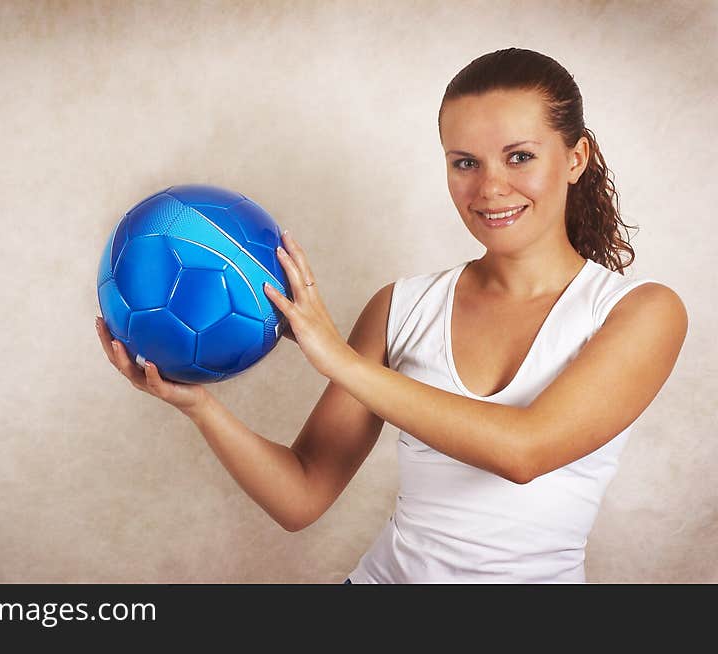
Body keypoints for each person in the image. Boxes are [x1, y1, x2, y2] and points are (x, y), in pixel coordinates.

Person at [95, 48, 688, 583]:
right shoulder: (402, 307)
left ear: (576, 156)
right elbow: (301, 497)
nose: (490, 187)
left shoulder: (639, 313)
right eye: (465, 163)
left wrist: (340, 361)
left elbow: (525, 452)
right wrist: (199, 405)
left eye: (519, 156)